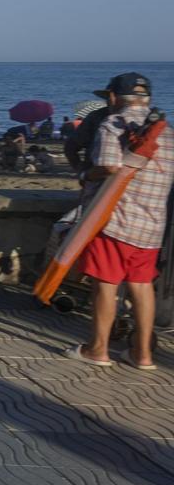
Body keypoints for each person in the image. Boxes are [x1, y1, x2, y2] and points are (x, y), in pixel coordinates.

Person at [66, 72, 174, 370]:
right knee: (141, 286)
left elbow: (108, 167)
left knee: (106, 284)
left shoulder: (113, 123)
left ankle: (97, 350)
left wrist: (84, 175)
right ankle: (143, 355)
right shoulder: (168, 132)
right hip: (152, 225)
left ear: (113, 98)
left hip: (116, 220)